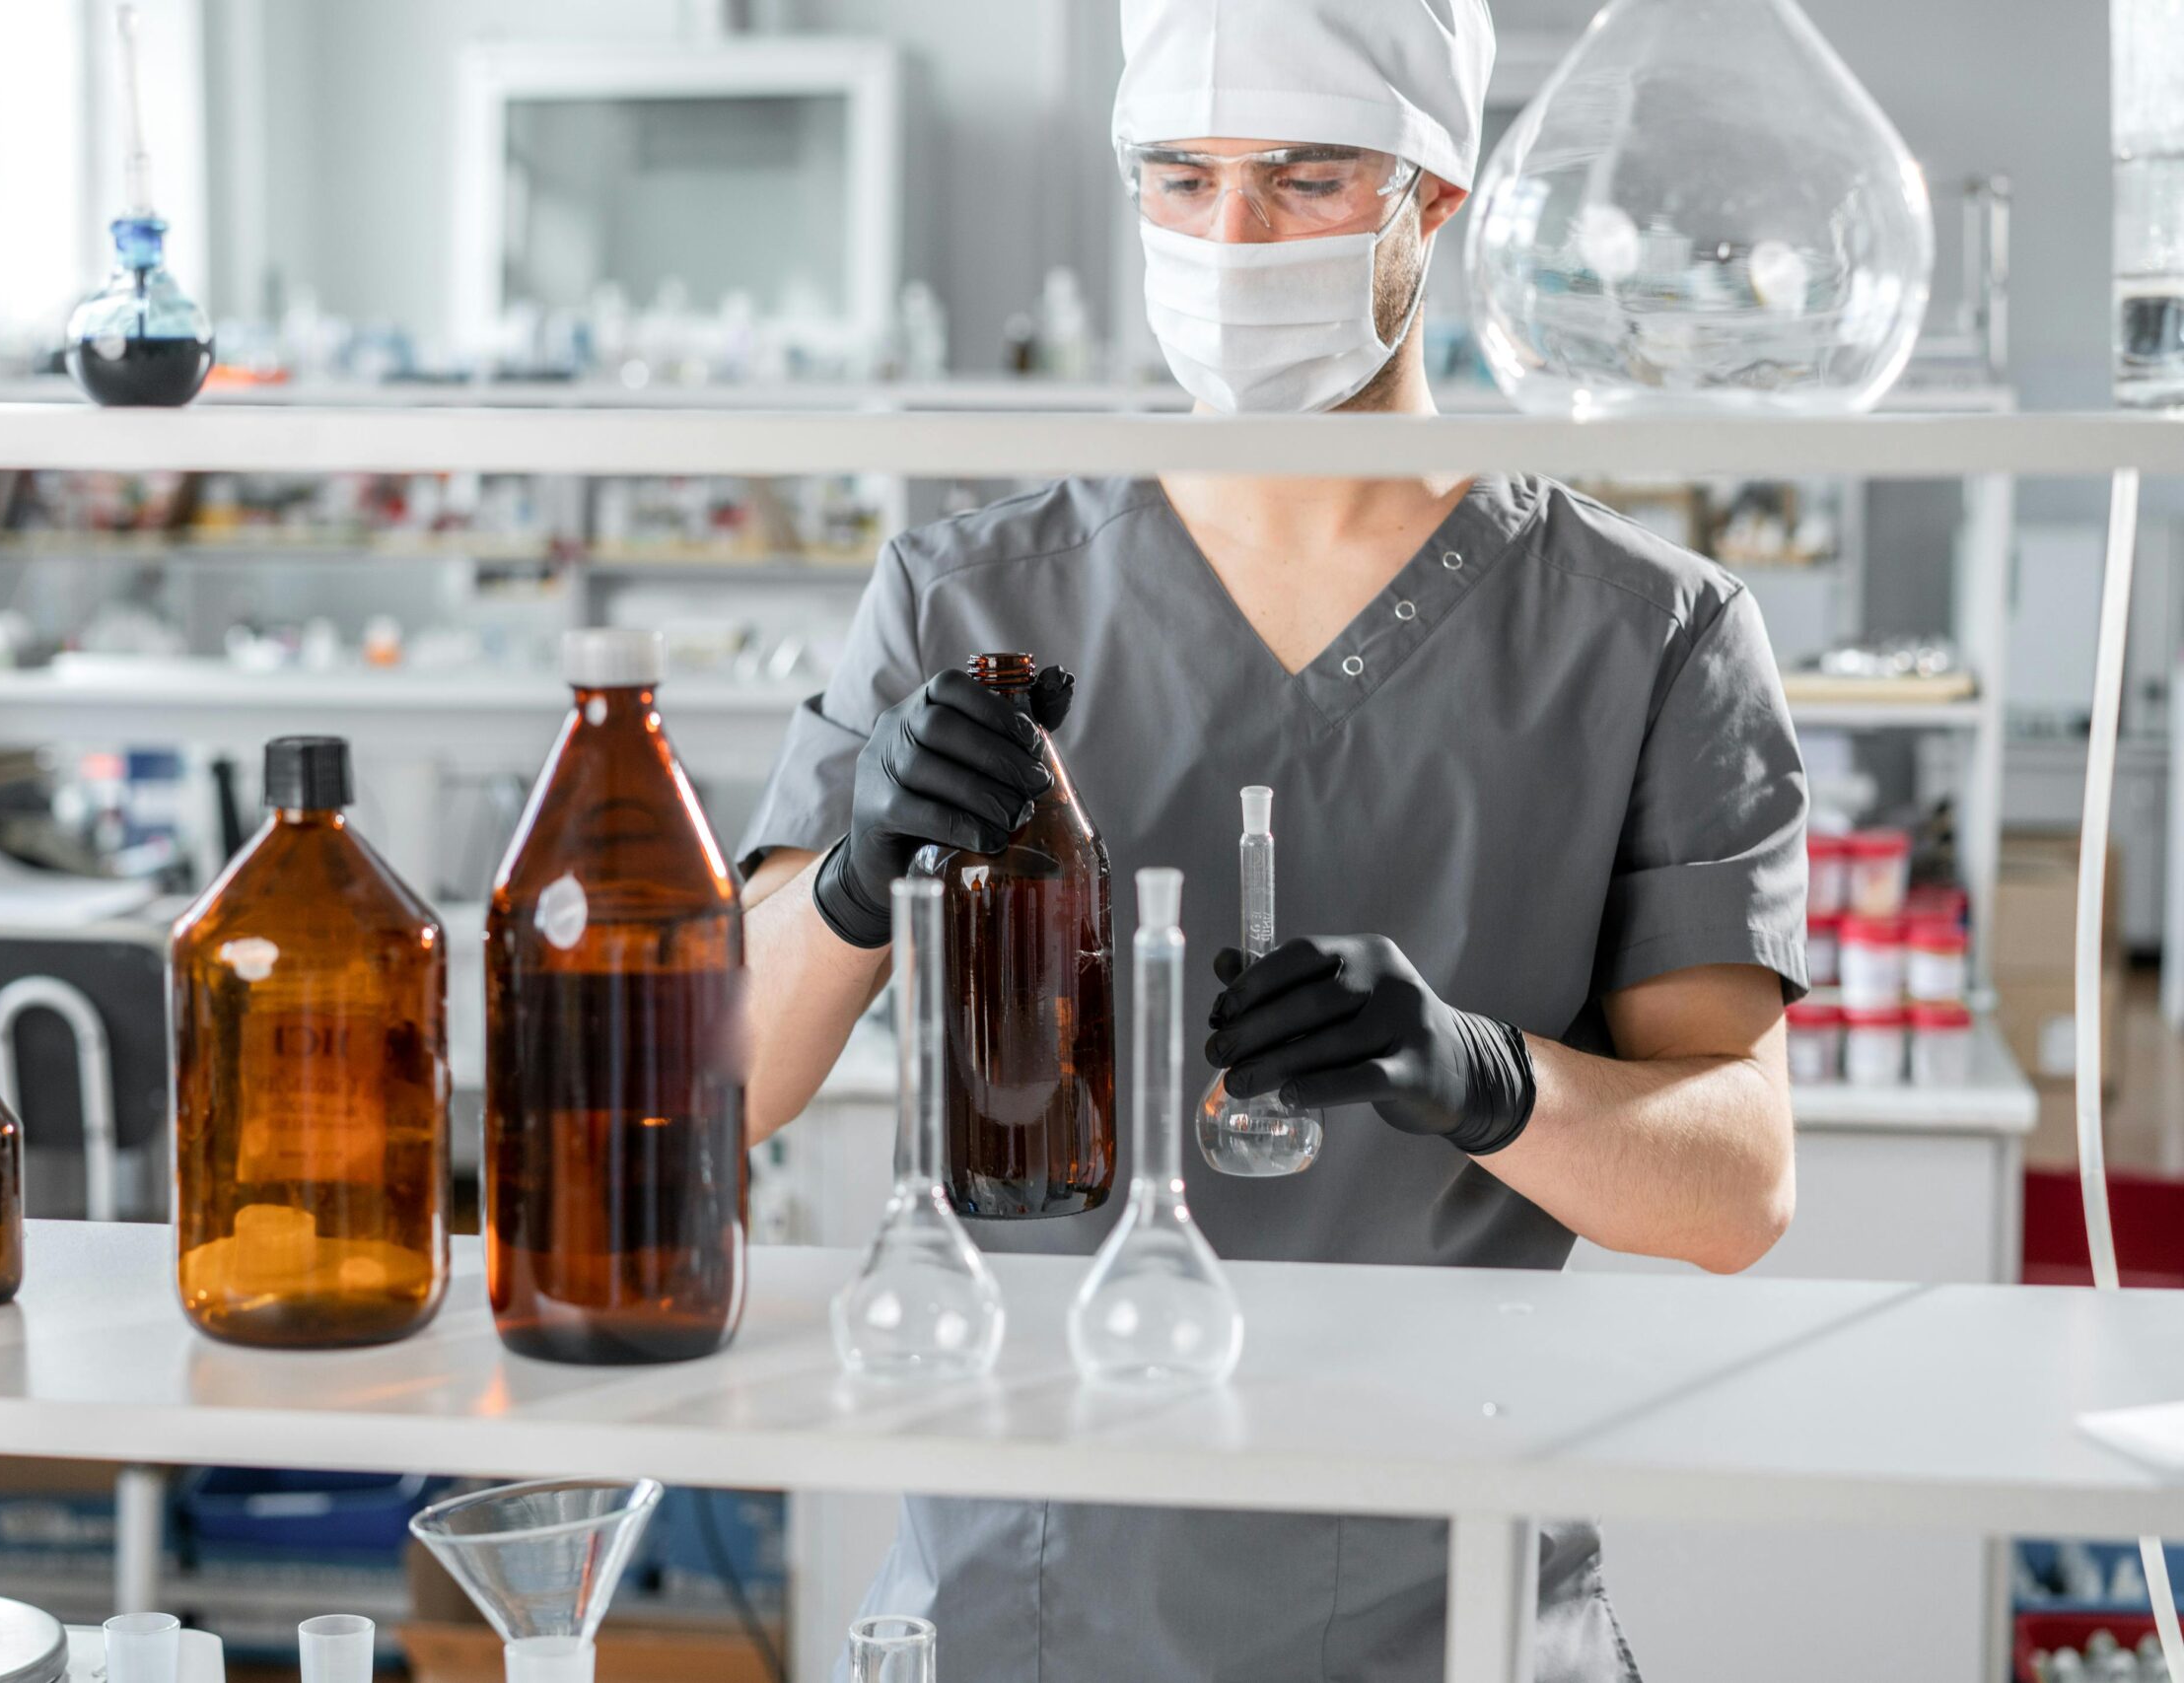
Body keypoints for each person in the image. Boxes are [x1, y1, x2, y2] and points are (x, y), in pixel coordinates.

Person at [735, 0, 1806, 1675]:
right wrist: (858, 883)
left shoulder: (1643, 633)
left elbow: (1738, 1187)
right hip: (1028, 1582)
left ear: (1431, 201)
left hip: (1447, 1596)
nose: (1231, 239)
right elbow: (729, 1073)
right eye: (1181, 177)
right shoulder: (965, 598)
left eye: (1305, 181)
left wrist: (1486, 1077)